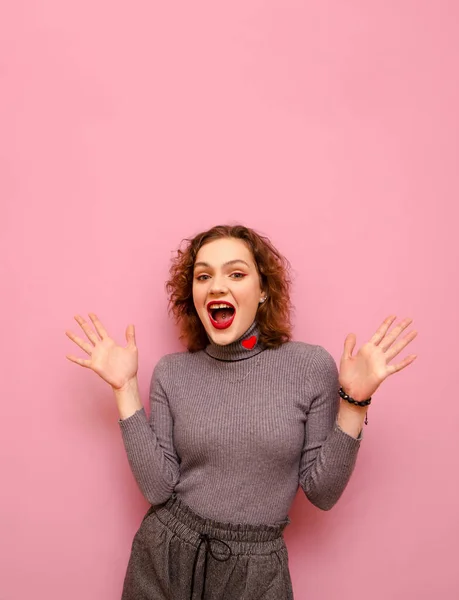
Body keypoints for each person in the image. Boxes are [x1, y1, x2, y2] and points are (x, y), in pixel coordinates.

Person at [65, 224, 418, 599]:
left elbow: (322, 493)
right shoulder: (171, 372)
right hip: (166, 554)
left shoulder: (311, 367)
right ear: (194, 294)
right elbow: (157, 487)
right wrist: (125, 388)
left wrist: (353, 402)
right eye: (204, 276)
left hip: (256, 570)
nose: (217, 285)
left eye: (236, 273)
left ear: (263, 290)